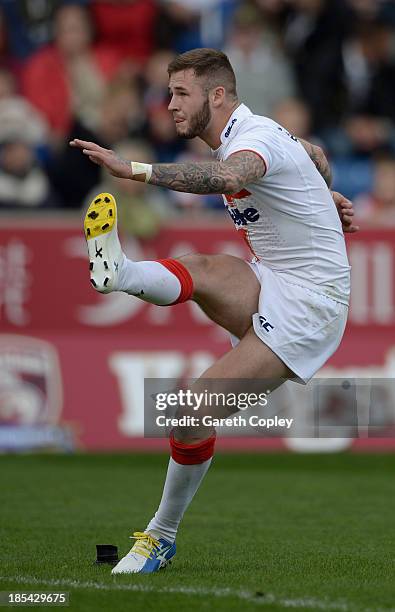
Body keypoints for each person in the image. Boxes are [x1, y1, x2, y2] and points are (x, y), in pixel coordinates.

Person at [70, 48, 358, 575]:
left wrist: (132, 169)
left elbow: (229, 177)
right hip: (275, 279)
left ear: (218, 95)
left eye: (182, 93)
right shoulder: (262, 135)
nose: (170, 104)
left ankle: (160, 537)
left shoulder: (254, 141)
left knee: (189, 414)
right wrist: (325, 193)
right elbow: (314, 154)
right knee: (206, 267)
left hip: (313, 305)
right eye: (170, 92)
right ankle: (120, 273)